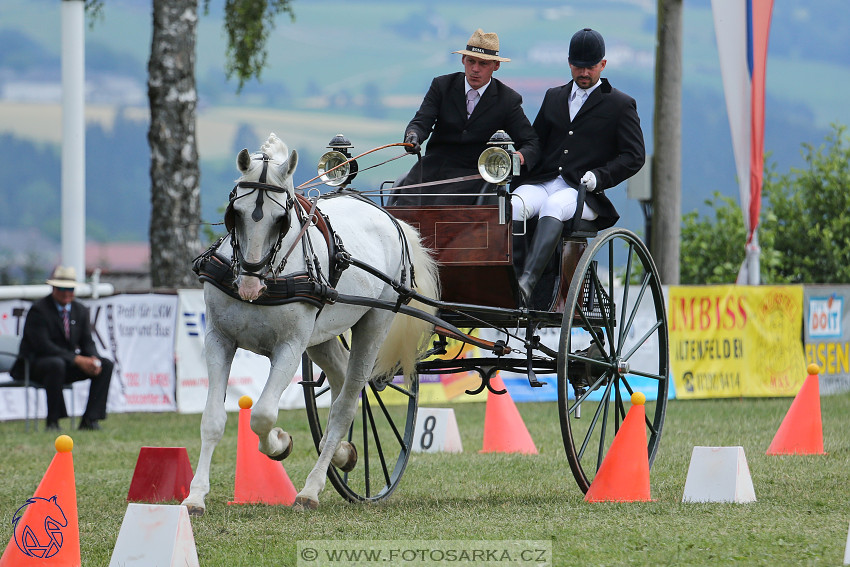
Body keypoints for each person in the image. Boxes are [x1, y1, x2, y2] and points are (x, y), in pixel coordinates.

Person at [511, 28, 645, 304]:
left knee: (554, 207)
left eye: (590, 67)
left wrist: (600, 176)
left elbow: (634, 156)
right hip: (545, 181)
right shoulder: (554, 97)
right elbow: (537, 142)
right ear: (570, 64)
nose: (584, 73)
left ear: (603, 65)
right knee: (514, 203)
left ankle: (528, 283)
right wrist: (521, 157)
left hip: (583, 193)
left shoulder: (620, 105)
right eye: (578, 67)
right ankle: (510, 276)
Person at [390, 28, 540, 205]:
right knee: (403, 207)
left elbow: (531, 143)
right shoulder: (442, 85)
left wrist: (513, 159)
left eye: (483, 64)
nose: (475, 69)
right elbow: (422, 121)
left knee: (443, 209)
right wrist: (413, 136)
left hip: (474, 174)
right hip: (432, 167)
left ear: (496, 66)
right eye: (471, 61)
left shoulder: (508, 100)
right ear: (463, 60)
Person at [12, 265, 114, 431]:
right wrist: (76, 359)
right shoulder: (39, 310)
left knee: (105, 365)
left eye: (70, 289)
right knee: (55, 364)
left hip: (65, 364)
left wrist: (93, 359)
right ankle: (53, 422)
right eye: (62, 289)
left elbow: (87, 342)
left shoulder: (79, 310)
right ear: (53, 288)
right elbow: (42, 346)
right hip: (35, 365)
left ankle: (90, 420)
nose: (67, 293)